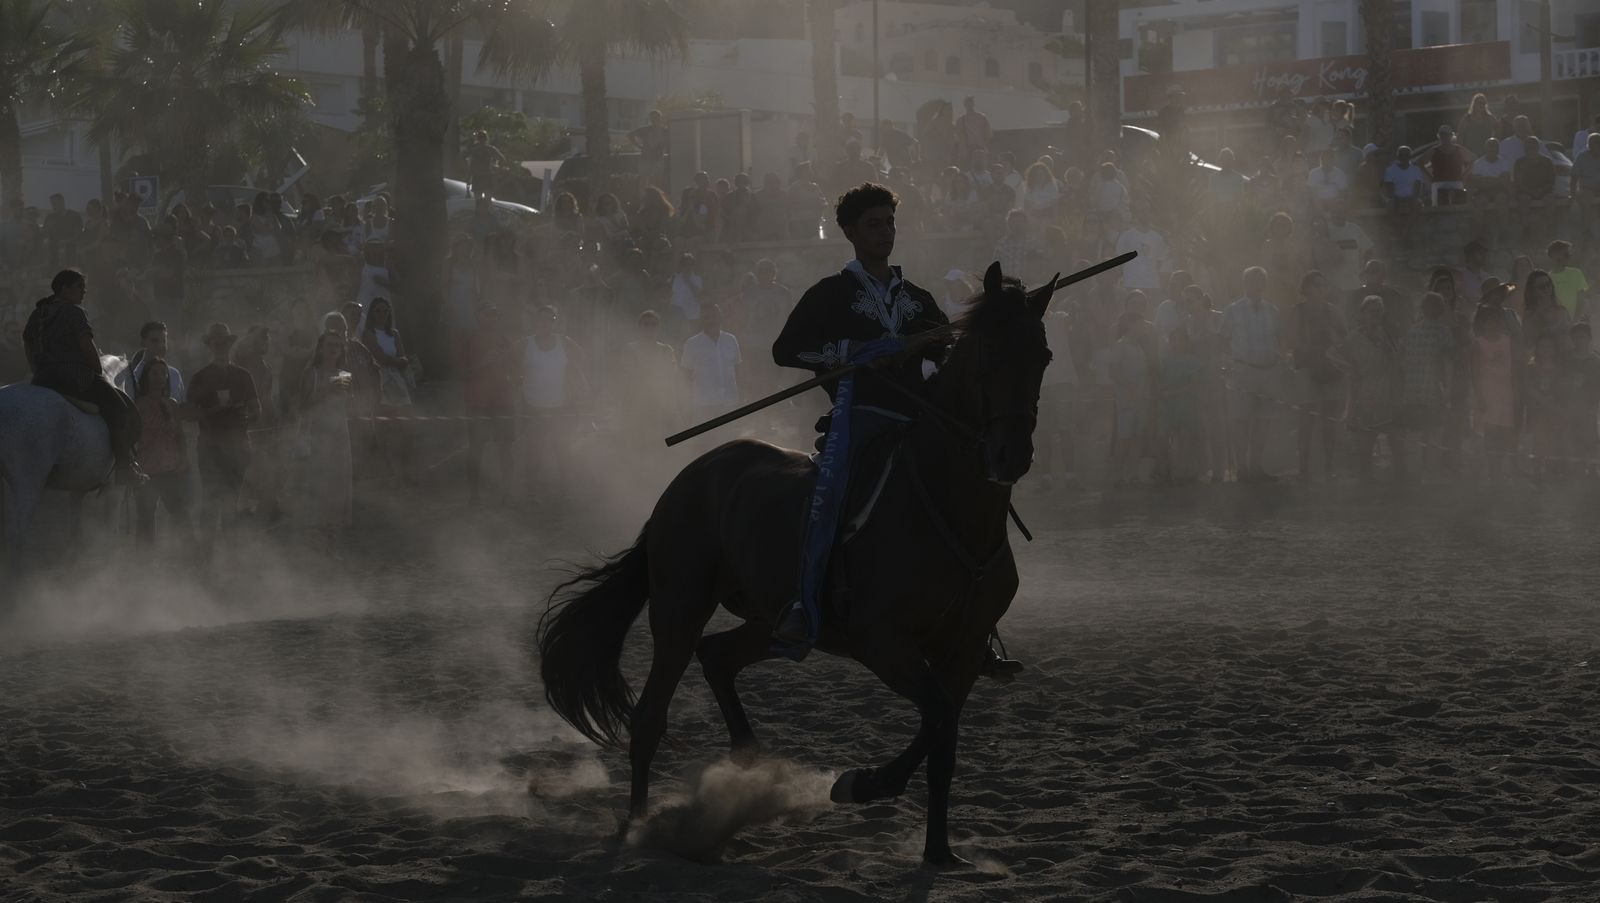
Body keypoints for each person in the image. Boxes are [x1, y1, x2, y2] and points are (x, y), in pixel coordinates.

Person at [769, 182, 948, 659]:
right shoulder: (830, 295)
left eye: (890, 222)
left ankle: (972, 615)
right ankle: (805, 604)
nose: (886, 232)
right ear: (849, 232)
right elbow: (785, 351)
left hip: (917, 419)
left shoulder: (919, 299)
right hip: (860, 418)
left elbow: (946, 353)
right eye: (874, 224)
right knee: (829, 500)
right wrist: (852, 351)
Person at [22, 269, 146, 483]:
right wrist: (97, 370)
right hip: (74, 377)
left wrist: (36, 370)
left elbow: (27, 343)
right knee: (121, 411)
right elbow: (86, 345)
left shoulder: (37, 313)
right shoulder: (74, 312)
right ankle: (124, 467)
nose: (84, 291)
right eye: (79, 286)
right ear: (64, 289)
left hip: (43, 378)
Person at [187, 322, 260, 534]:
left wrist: (246, 417)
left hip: (238, 445)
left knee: (232, 498)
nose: (220, 347)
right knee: (211, 497)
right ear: (210, 345)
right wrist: (216, 410)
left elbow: (257, 410)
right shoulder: (199, 378)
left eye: (224, 343)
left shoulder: (243, 376)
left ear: (229, 344)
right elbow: (189, 415)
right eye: (216, 343)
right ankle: (207, 548)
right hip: (210, 446)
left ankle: (228, 548)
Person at [520, 305, 589, 498]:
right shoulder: (526, 343)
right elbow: (510, 362)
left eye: (551, 319)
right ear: (536, 321)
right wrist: (517, 381)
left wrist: (575, 374)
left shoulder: (564, 342)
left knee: (563, 451)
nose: (546, 323)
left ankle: (564, 490)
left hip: (561, 406)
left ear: (555, 322)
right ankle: (531, 491)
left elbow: (583, 356)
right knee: (534, 452)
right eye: (543, 319)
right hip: (533, 406)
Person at [1221, 266, 1282, 482]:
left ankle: (1256, 466)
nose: (1257, 285)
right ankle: (1242, 468)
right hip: (1243, 370)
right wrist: (1230, 364)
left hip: (1268, 371)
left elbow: (1279, 339)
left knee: (1264, 420)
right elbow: (1222, 340)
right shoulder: (1233, 310)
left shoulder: (1272, 311)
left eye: (1260, 281)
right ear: (1245, 284)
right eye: (1252, 281)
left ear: (1265, 285)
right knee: (1241, 420)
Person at [1335, 295, 1404, 481]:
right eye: (1372, 311)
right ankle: (1364, 477)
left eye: (1379, 311)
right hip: (1366, 390)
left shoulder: (1386, 334)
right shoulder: (1355, 338)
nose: (1376, 314)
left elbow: (1397, 358)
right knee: (1367, 436)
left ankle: (1400, 475)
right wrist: (1351, 370)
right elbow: (1334, 354)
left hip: (1388, 390)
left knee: (1395, 434)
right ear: (1363, 313)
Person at [1290, 271, 1346, 482]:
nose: (1321, 289)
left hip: (1330, 369)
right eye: (1317, 285)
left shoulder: (1334, 311)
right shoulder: (1297, 311)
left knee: (1329, 421)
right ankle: (1303, 468)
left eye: (1324, 285)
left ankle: (1328, 467)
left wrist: (1331, 348)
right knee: (1306, 420)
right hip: (1307, 368)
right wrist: (1314, 351)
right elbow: (1292, 341)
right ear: (1306, 288)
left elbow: (1344, 338)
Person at [294, 331, 353, 528]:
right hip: (318, 430)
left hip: (340, 431)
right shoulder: (312, 373)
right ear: (321, 348)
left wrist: (350, 398)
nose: (333, 348)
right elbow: (302, 406)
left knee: (339, 478)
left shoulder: (344, 374)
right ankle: (315, 525)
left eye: (337, 345)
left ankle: (334, 525)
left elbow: (347, 405)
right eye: (329, 344)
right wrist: (325, 391)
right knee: (319, 478)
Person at [130, 357, 191, 545]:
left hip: (170, 468)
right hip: (146, 470)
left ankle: (191, 554)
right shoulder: (138, 404)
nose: (159, 377)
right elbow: (131, 438)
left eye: (163, 373)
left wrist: (184, 459)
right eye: (154, 373)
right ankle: (145, 558)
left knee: (180, 514)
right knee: (146, 518)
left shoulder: (171, 404)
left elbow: (180, 435)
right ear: (147, 377)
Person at [1398, 292, 1456, 479]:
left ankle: (1415, 472)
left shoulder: (1412, 331)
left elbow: (1402, 360)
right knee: (1432, 432)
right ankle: (1429, 471)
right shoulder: (1443, 331)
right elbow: (1447, 362)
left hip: (1412, 389)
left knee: (1415, 432)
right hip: (1433, 388)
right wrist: (1448, 388)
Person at [1470, 304, 1517, 482]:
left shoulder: (1508, 340)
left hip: (1505, 392)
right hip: (1487, 391)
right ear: (1483, 322)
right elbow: (1474, 373)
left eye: (1497, 319)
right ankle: (1493, 470)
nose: (1494, 323)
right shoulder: (1478, 343)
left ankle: (1501, 468)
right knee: (1490, 431)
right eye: (1490, 320)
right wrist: (1480, 396)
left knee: (1504, 431)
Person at [679, 302, 741, 424]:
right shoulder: (692, 343)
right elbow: (685, 376)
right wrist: (686, 404)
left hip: (729, 403)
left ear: (720, 317)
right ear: (701, 320)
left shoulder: (731, 340)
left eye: (714, 316)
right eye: (707, 317)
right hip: (703, 405)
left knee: (728, 436)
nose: (711, 320)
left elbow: (737, 369)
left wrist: (742, 394)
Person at [1109, 311, 1151, 485]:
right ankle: (1118, 476)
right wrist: (1131, 387)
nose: (1143, 327)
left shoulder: (1139, 347)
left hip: (1141, 400)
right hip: (1126, 401)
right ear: (1130, 325)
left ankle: (1133, 475)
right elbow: (1113, 372)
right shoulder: (1121, 345)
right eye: (1140, 323)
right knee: (1124, 438)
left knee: (1137, 438)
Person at [1522, 335, 1566, 481]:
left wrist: (1551, 400)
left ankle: (1551, 473)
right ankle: (1537, 473)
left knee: (1553, 441)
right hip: (1536, 411)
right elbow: (1527, 386)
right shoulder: (1531, 368)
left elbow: (1562, 388)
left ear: (1555, 349)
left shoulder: (1560, 369)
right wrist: (1541, 398)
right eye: (1542, 346)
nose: (1545, 349)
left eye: (1549, 346)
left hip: (1555, 411)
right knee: (1537, 441)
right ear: (1537, 349)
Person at [1564, 322, 1600, 473]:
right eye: (1575, 338)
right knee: (1571, 439)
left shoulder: (1596, 361)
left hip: (1589, 408)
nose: (1578, 341)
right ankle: (1575, 470)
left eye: (1582, 337)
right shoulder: (1566, 359)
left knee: (1590, 439)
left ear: (1589, 338)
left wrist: (1593, 406)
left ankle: (1592, 470)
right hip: (1568, 406)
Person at [118, 320, 185, 401]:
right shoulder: (131, 375)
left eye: (163, 341)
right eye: (154, 341)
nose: (160, 346)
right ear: (143, 343)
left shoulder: (174, 375)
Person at [1114, 208, 1172, 294]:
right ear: (1136, 215)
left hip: (1151, 284)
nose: (1144, 214)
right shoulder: (1126, 236)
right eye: (1141, 211)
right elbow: (1119, 259)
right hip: (1131, 283)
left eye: (1146, 211)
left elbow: (1160, 261)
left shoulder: (1157, 237)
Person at [1513, 135, 1556, 227]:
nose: (1531, 148)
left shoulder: (1547, 161)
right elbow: (1518, 182)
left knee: (1550, 199)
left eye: (1533, 145)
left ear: (1537, 147)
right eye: (1528, 146)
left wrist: (1542, 190)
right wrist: (1530, 191)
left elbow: (1552, 180)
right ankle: (1525, 226)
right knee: (1523, 199)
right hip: (1525, 192)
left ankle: (1550, 225)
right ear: (1525, 148)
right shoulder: (1519, 163)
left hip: (1545, 191)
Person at [1424, 126, 1471, 204]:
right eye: (1442, 134)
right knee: (1437, 207)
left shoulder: (1459, 149)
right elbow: (1420, 162)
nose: (1445, 136)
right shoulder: (1434, 151)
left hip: (1456, 182)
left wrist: (1464, 175)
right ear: (1439, 136)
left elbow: (1473, 160)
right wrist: (1429, 176)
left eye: (1447, 134)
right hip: (1438, 182)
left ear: (1451, 135)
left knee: (1459, 206)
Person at [1546, 240, 1589, 322]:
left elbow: (1581, 300)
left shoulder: (1576, 273)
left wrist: (1575, 321)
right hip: (1554, 324)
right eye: (1566, 254)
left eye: (1570, 254)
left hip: (1574, 322)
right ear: (1554, 255)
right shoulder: (1547, 278)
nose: (1570, 256)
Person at [629, 110, 669, 189]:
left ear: (660, 118)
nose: (654, 119)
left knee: (657, 180)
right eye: (652, 118)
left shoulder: (665, 131)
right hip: (645, 158)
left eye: (656, 117)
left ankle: (656, 194)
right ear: (650, 119)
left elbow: (630, 135)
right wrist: (638, 146)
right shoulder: (645, 130)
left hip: (658, 159)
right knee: (644, 179)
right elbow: (630, 135)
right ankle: (643, 195)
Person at [463, 129, 507, 199]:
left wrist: (468, 177)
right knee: (487, 199)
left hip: (478, 177)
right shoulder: (490, 149)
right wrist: (498, 171)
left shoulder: (475, 150)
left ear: (477, 139)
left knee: (478, 199)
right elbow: (502, 159)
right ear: (486, 139)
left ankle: (481, 206)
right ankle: (486, 206)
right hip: (486, 176)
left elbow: (471, 165)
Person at [43, 194, 83, 269]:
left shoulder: (74, 216)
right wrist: (48, 227)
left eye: (55, 204)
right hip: (54, 254)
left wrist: (66, 242)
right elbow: (44, 235)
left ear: (62, 202)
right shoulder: (50, 217)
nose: (53, 206)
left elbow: (79, 234)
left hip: (70, 253)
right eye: (52, 204)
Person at [956, 96, 992, 166]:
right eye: (967, 103)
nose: (969, 105)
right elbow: (959, 137)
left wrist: (985, 147)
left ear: (973, 104)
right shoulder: (961, 120)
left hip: (980, 148)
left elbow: (988, 134)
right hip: (967, 149)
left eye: (971, 103)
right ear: (965, 105)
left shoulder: (981, 117)